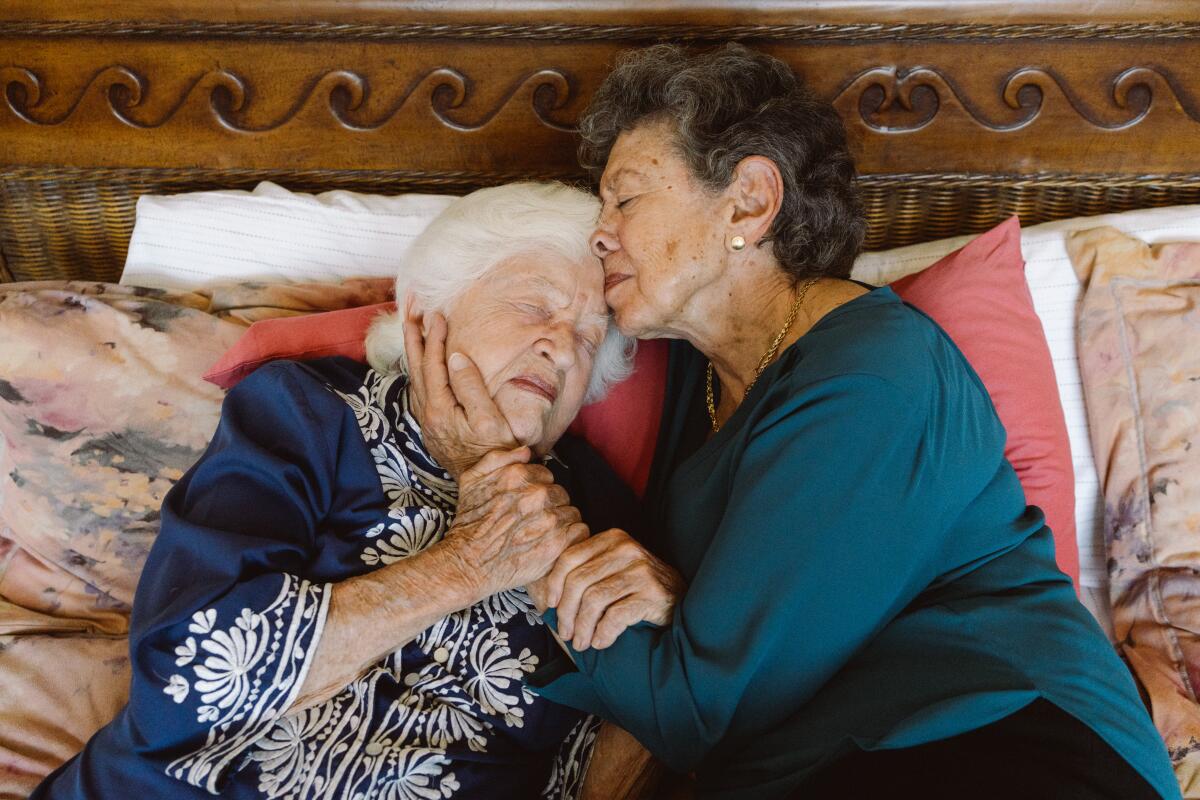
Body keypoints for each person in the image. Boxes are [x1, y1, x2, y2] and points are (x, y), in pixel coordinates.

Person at [411, 45, 1183, 799]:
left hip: (997, 740)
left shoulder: (875, 377)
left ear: (749, 200)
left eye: (627, 198)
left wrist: (500, 498)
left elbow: (698, 708)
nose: (599, 231)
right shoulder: (700, 370)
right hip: (839, 754)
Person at [30, 182, 643, 800]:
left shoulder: (601, 515)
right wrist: (470, 562)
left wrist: (667, 623)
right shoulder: (308, 412)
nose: (562, 348)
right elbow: (189, 668)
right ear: (430, 315)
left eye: (590, 338)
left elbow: (632, 725)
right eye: (535, 307)